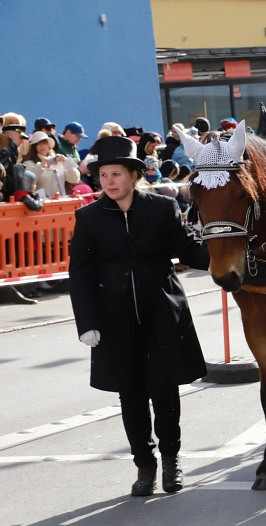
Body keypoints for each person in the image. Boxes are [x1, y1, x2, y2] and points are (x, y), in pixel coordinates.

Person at [68, 136, 210, 497]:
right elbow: (80, 274)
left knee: (165, 392)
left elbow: (187, 250)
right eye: (103, 175)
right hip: (114, 322)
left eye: (117, 174)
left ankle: (171, 461)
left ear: (135, 175)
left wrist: (224, 255)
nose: (109, 181)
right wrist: (87, 323)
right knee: (129, 394)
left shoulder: (163, 209)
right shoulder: (88, 217)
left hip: (162, 313)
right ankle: (144, 466)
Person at [22, 130, 80, 198]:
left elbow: (74, 179)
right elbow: (28, 182)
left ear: (49, 146)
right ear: (34, 147)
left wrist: (66, 162)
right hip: (42, 202)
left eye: (44, 143)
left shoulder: (58, 161)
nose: (42, 146)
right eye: (39, 144)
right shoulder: (29, 163)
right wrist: (40, 166)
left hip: (61, 201)